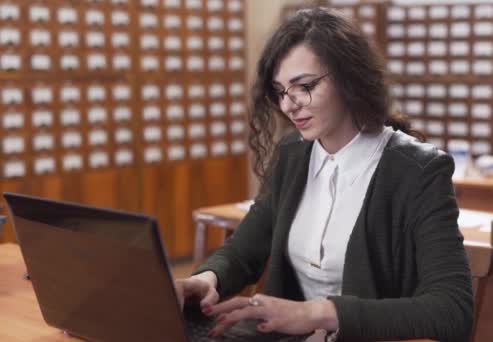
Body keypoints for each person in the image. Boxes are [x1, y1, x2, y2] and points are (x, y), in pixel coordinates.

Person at [176, 7, 473, 342]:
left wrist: (316, 313)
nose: (289, 105)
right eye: (280, 91)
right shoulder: (292, 154)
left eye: (304, 86)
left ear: (350, 78)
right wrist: (208, 279)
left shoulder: (419, 171)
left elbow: (453, 309)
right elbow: (245, 248)